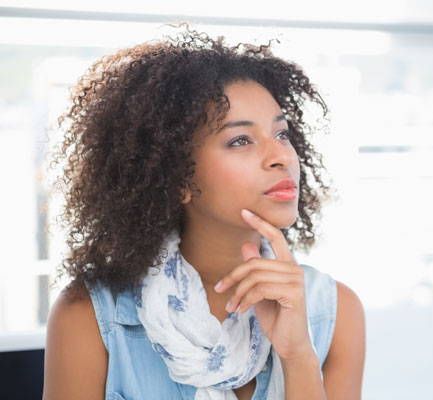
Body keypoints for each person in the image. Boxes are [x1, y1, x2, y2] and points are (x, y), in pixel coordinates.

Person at [43, 25, 366, 400]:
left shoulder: (335, 312)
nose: (282, 156)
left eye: (281, 133)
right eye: (240, 140)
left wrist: (298, 359)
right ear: (176, 176)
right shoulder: (88, 317)